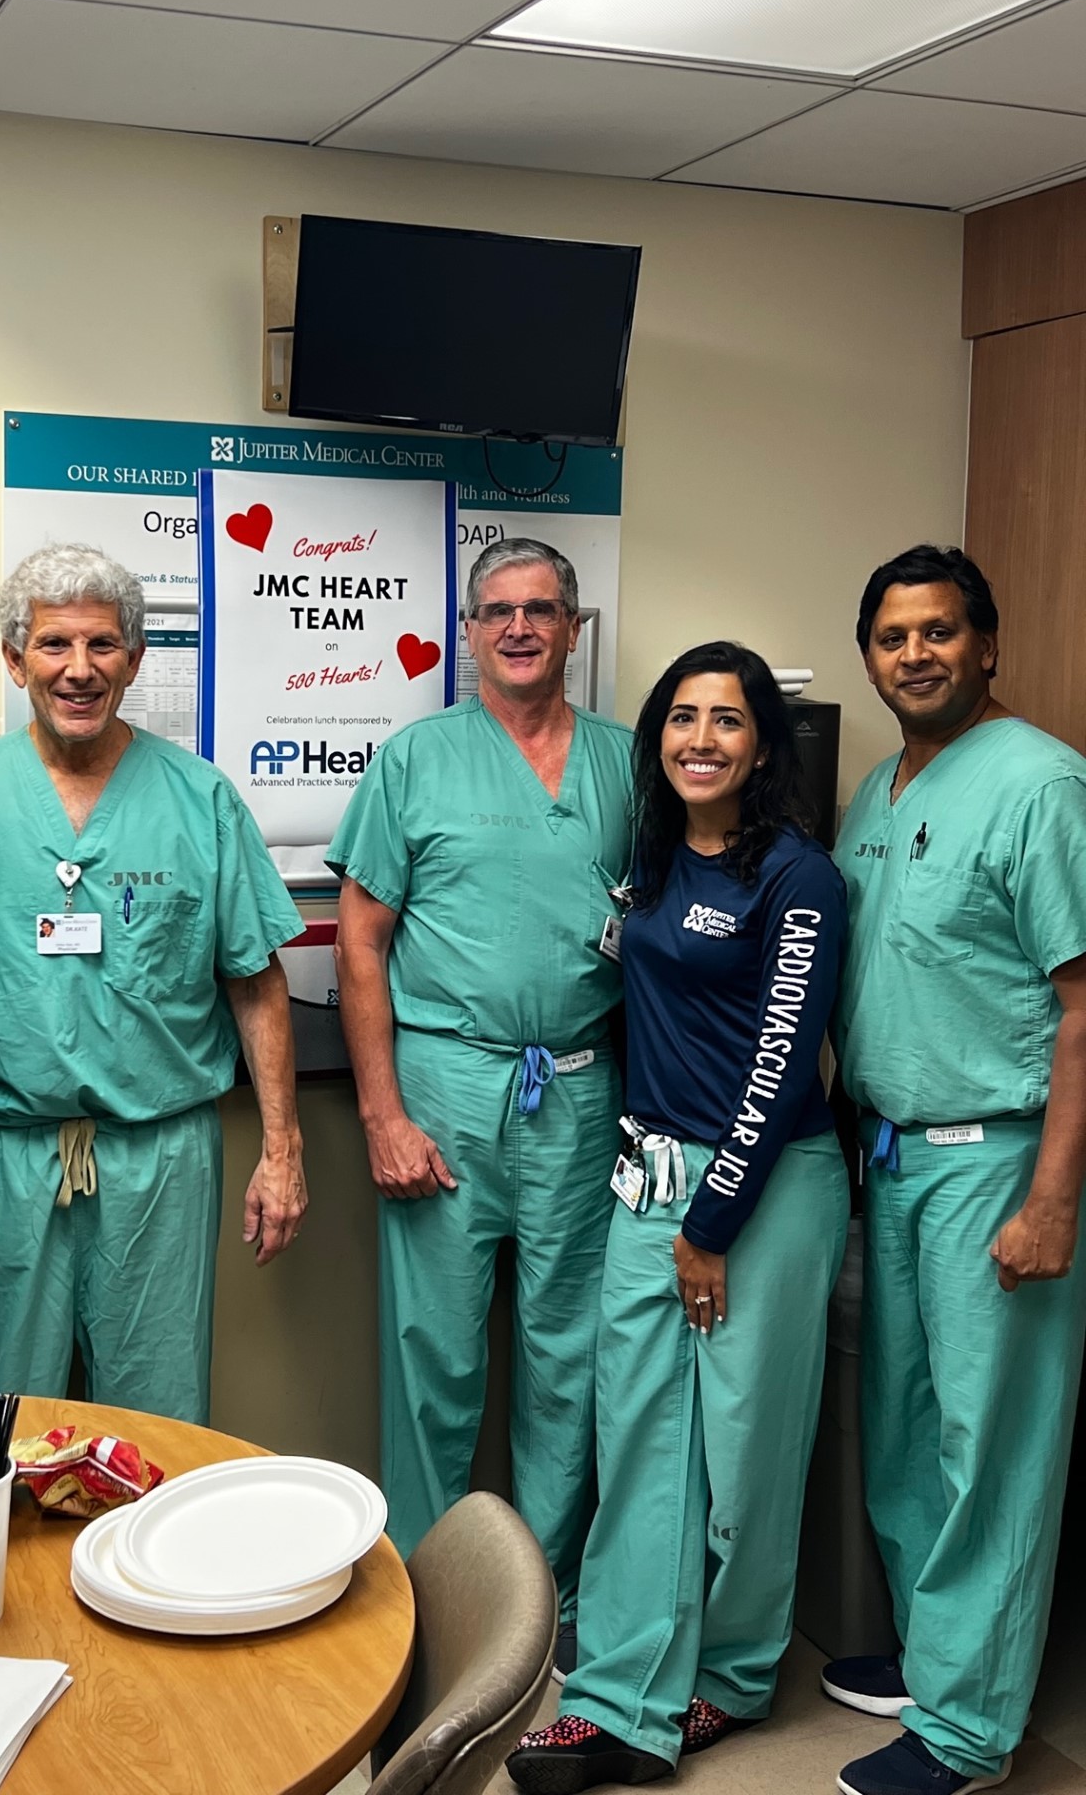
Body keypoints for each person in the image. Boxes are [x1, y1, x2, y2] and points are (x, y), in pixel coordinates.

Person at [506, 641, 849, 1792]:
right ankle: (616, 1697)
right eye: (683, 718)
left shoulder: (797, 877)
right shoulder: (649, 861)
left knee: (746, 1447)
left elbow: (781, 1061)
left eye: (729, 721)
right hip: (649, 1176)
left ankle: (738, 1673)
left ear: (763, 745)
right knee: (642, 1435)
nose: (702, 739)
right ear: (657, 737)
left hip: (769, 1187)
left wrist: (714, 1221)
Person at [328, 537, 633, 1659]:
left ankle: (537, 1603)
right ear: (469, 629)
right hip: (445, 1081)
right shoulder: (417, 759)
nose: (519, 628)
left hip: (585, 1085)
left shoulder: (628, 762)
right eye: (497, 610)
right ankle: (427, 1597)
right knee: (436, 1354)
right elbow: (361, 946)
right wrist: (382, 1112)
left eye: (542, 609)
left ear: (573, 628)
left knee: (569, 1354)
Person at [0, 543, 307, 1420]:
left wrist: (283, 1154)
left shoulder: (199, 799)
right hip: (0, 1153)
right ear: (15, 658)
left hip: (160, 1156)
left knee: (157, 1417)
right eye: (54, 645)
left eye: (102, 646)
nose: (79, 670)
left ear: (135, 659)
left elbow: (256, 980)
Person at [824, 546, 1086, 1795]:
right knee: (908, 1433)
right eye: (892, 636)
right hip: (891, 1158)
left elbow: (1084, 1005)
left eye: (939, 633)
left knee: (993, 1446)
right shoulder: (878, 790)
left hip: (998, 1157)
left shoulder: (1044, 785)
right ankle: (941, 1657)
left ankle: (972, 1731)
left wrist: (1052, 1198)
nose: (914, 654)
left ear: (987, 646)